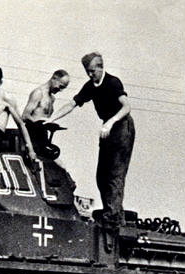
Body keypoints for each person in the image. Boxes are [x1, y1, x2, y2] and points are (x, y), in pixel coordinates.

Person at [49, 52, 135, 228]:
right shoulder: (90, 86)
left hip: (121, 126)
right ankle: (112, 213)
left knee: (115, 173)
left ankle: (113, 218)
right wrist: (52, 119)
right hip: (107, 129)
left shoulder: (113, 82)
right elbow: (72, 104)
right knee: (102, 175)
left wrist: (110, 123)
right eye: (87, 72)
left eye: (92, 71)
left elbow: (126, 107)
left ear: (101, 67)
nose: (90, 75)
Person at [22, 70, 70, 162]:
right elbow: (24, 116)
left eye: (63, 88)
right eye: (60, 86)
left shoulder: (52, 98)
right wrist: (39, 123)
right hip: (32, 137)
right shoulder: (38, 93)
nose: (60, 90)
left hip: (44, 138)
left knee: (59, 166)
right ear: (54, 78)